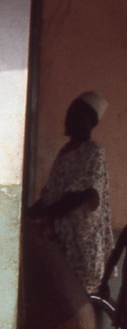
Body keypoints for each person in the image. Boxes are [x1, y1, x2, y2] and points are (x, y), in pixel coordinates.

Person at [29, 92, 112, 297]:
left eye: (79, 116)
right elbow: (53, 194)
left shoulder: (94, 151)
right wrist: (28, 213)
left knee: (78, 302)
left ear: (90, 123)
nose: (71, 119)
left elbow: (75, 197)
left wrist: (44, 214)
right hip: (58, 240)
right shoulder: (64, 152)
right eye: (71, 113)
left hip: (80, 244)